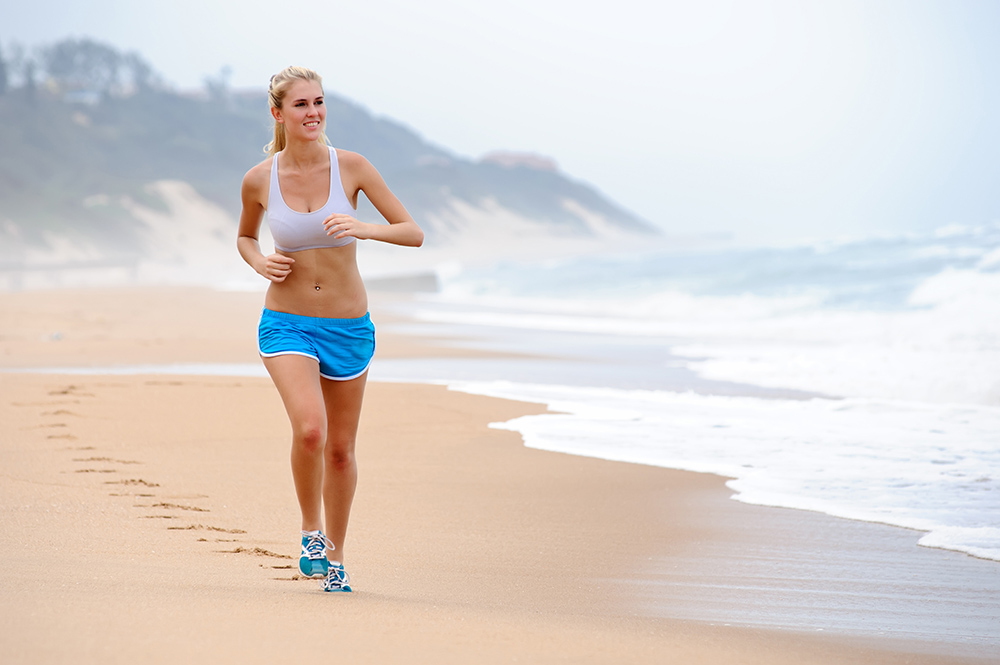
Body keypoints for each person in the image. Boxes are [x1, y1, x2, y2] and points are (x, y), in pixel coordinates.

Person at [237, 66, 423, 593]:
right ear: (279, 114)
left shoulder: (353, 168)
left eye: (318, 102)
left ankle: (337, 558)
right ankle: (310, 531)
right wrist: (259, 264)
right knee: (310, 430)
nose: (313, 112)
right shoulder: (260, 178)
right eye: (300, 105)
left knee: (340, 450)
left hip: (347, 326)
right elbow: (246, 237)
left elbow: (413, 232)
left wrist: (365, 227)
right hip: (287, 322)